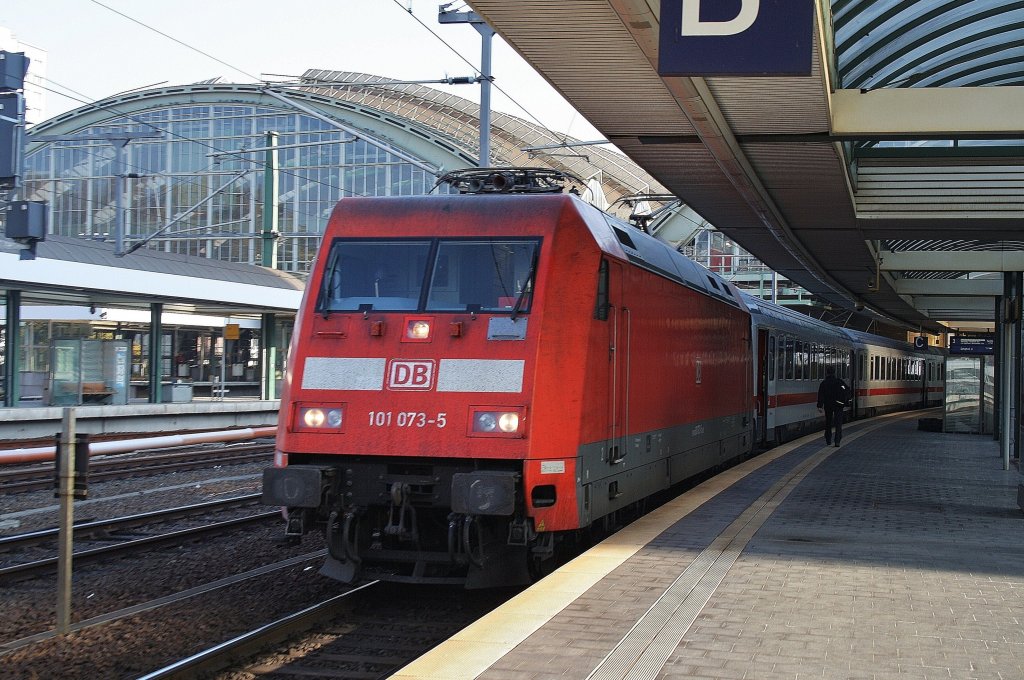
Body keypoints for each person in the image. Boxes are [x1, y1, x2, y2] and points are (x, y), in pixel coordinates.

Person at [817, 366, 850, 447]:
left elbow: (821, 395)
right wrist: (846, 401)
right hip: (838, 405)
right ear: (834, 372)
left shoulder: (824, 383)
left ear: (827, 373)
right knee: (838, 423)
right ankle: (837, 441)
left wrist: (820, 406)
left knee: (828, 422)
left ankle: (828, 440)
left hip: (828, 405)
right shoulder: (839, 382)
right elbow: (846, 390)